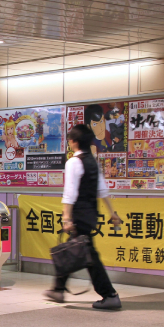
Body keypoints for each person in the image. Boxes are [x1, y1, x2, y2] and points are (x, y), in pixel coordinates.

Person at [44, 124, 122, 310]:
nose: (69, 142)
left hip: (79, 215)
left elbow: (69, 193)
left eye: (70, 139)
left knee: (88, 256)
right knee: (74, 249)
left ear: (75, 141)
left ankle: (110, 295)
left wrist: (66, 217)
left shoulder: (73, 162)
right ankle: (58, 288)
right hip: (91, 215)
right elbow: (102, 190)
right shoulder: (92, 162)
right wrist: (112, 214)